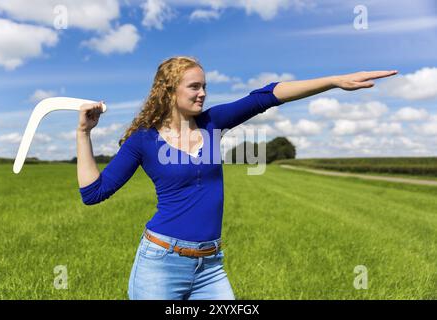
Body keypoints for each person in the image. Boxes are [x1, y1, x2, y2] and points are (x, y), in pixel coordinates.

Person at [76, 56, 397, 300]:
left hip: (210, 265)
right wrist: (83, 133)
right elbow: (94, 192)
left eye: (204, 86)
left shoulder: (212, 122)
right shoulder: (143, 140)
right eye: (194, 86)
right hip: (161, 262)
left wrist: (334, 80)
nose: (202, 93)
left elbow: (265, 96)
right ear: (169, 90)